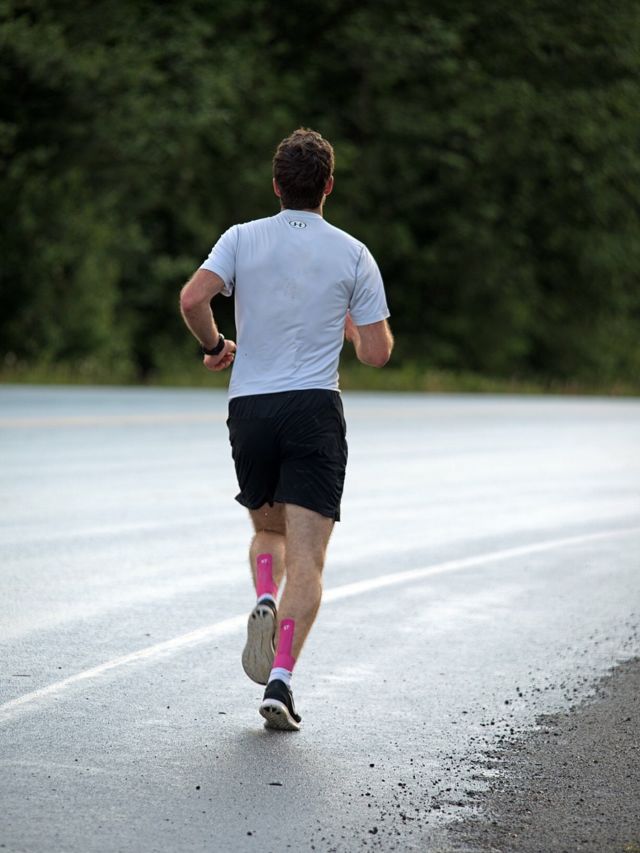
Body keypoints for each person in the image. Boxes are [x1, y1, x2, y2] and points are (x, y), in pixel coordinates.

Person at [180, 128, 393, 731]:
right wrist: (352, 325)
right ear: (329, 186)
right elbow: (376, 353)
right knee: (310, 561)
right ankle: (279, 681)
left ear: (276, 186)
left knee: (266, 530)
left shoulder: (240, 237)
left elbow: (192, 299)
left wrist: (216, 346)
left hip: (251, 408)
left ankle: (265, 596)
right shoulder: (354, 254)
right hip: (313, 410)